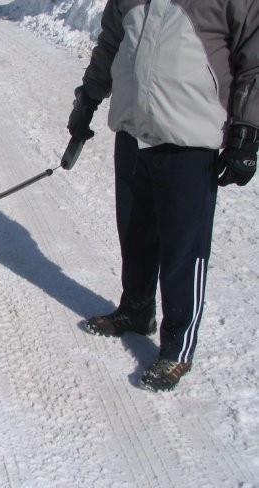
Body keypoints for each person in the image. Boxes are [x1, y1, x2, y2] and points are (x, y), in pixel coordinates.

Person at [67, 0, 259, 391]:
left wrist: (247, 130)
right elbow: (111, 41)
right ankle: (136, 310)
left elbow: (253, 57)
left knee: (183, 250)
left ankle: (177, 346)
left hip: (190, 138)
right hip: (133, 130)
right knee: (135, 232)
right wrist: (88, 96)